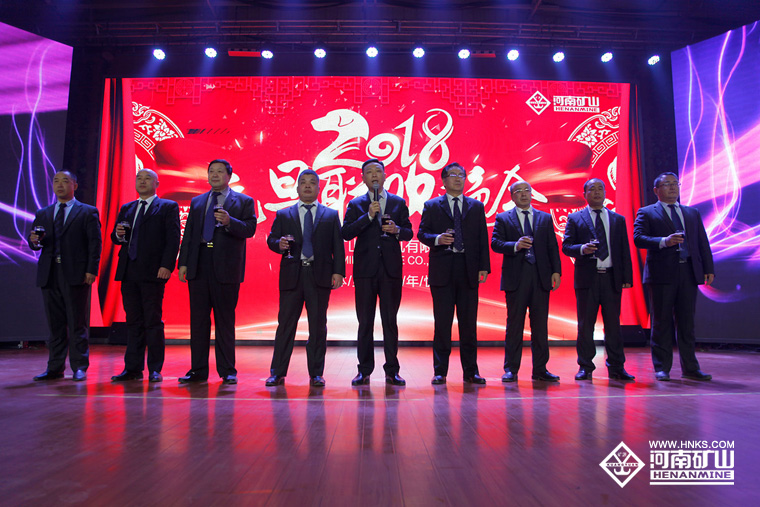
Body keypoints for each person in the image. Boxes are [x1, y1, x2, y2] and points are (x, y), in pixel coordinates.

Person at [177, 159, 256, 385]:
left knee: (224, 320)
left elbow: (250, 229)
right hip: (199, 263)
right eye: (211, 171)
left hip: (226, 267)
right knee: (198, 321)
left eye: (220, 171)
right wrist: (184, 263)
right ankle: (198, 370)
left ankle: (228, 370)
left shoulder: (244, 201)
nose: (214, 175)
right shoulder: (198, 201)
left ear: (229, 176)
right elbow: (189, 233)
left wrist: (230, 221)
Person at [265, 169, 345, 387]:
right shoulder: (284, 214)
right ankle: (277, 372)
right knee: (285, 325)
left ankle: (316, 373)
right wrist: (278, 244)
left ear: (319, 188)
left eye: (312, 182)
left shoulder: (330, 215)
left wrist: (338, 272)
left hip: (319, 276)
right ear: (298, 187)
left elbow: (338, 246)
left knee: (318, 326)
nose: (307, 186)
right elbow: (271, 239)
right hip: (292, 274)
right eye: (303, 182)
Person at [633, 172, 715, 381]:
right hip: (661, 274)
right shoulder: (647, 212)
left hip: (688, 272)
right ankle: (662, 367)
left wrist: (708, 268)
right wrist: (664, 241)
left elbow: (701, 242)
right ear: (656, 190)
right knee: (662, 322)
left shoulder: (691, 212)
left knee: (687, 322)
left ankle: (691, 368)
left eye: (675, 184)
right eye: (667, 184)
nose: (672, 188)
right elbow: (638, 238)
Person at [341, 159, 413, 386]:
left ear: (385, 176)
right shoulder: (356, 204)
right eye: (369, 172)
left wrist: (397, 230)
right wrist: (368, 216)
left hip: (390, 270)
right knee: (365, 322)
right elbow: (346, 232)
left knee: (390, 321)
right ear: (363, 178)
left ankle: (392, 370)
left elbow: (409, 232)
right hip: (365, 271)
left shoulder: (398, 202)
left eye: (378, 171)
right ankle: (364, 370)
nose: (374, 175)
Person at [418, 162, 490, 385]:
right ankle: (440, 371)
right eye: (453, 175)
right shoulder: (432, 205)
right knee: (442, 324)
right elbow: (422, 233)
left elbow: (482, 238)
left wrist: (484, 267)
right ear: (444, 180)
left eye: (462, 175)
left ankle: (471, 371)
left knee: (469, 324)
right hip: (442, 271)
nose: (458, 178)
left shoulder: (476, 206)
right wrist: (437, 239)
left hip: (468, 270)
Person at [28, 171, 102, 381]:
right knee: (55, 323)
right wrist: (34, 241)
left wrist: (91, 270)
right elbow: (36, 242)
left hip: (76, 273)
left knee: (77, 322)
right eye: (56, 181)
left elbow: (94, 243)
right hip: (49, 273)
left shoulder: (87, 211)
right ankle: (55, 367)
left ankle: (79, 366)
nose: (60, 185)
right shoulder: (43, 212)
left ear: (75, 185)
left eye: (65, 181)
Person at [110, 169, 180, 383]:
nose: (142, 181)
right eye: (138, 178)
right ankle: (132, 368)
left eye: (147, 178)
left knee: (152, 321)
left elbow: (173, 239)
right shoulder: (127, 208)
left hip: (153, 271)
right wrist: (117, 235)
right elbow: (116, 237)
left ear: (156, 183)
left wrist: (167, 265)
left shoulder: (167, 206)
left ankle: (155, 369)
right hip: (129, 271)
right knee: (133, 321)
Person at [562, 178, 635, 381]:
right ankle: (585, 366)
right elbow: (566, 246)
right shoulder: (575, 218)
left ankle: (617, 367)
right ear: (584, 194)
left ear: (605, 192)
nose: (597, 192)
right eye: (592, 189)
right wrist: (582, 249)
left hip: (611, 277)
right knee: (586, 325)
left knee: (613, 325)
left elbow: (624, 250)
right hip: (588, 278)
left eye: (600, 188)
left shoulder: (617, 219)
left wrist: (626, 277)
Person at [491, 180, 561, 382]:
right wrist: (515, 245)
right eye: (518, 191)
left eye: (526, 191)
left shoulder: (544, 218)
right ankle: (511, 369)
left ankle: (540, 369)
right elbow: (495, 243)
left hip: (540, 277)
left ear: (532, 194)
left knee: (540, 326)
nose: (523, 194)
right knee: (515, 325)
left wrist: (556, 271)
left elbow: (552, 246)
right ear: (512, 196)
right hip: (516, 278)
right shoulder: (503, 218)